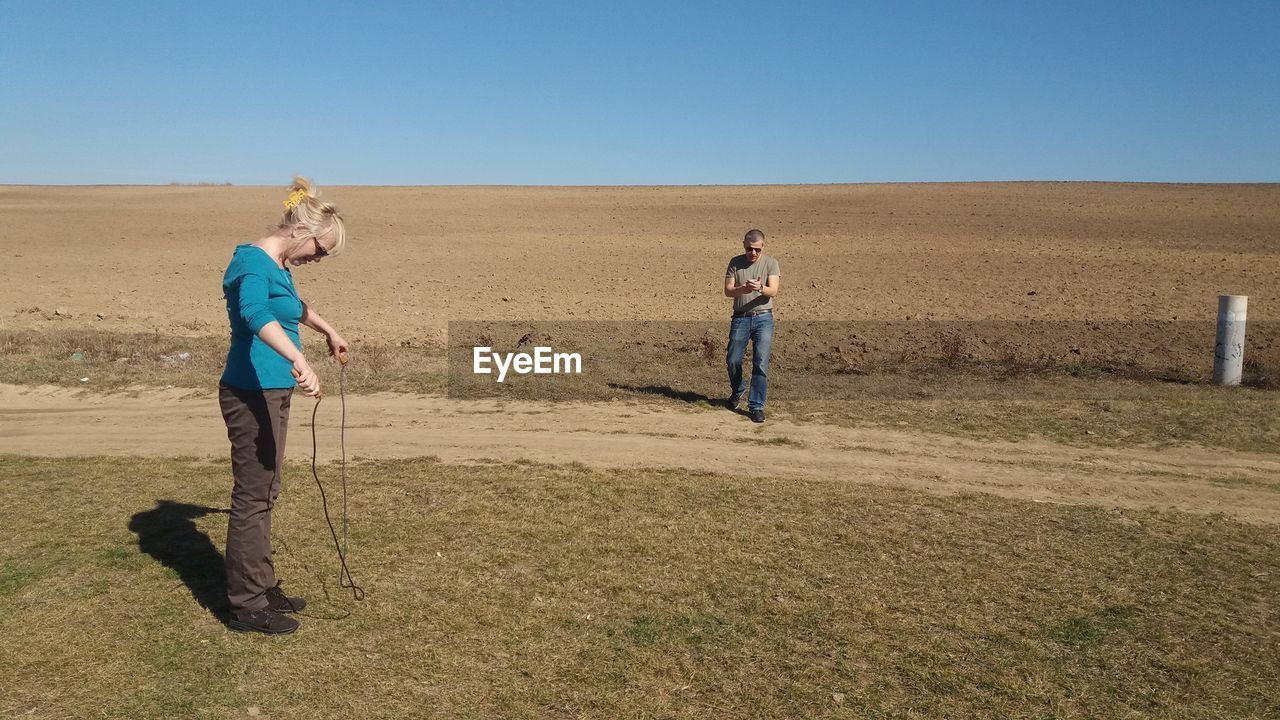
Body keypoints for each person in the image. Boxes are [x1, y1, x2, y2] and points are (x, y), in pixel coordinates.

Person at [218, 176, 349, 635]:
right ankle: (246, 605)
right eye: (320, 249)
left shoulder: (275, 263)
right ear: (301, 231)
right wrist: (298, 359)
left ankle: (262, 583)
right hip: (250, 392)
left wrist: (328, 331)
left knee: (266, 491)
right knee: (253, 497)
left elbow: (292, 306)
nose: (319, 258)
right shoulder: (252, 263)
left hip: (273, 391)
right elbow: (257, 315)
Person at [723, 228, 780, 423]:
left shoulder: (771, 263)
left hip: (764, 319)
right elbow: (728, 291)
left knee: (760, 362)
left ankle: (756, 406)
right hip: (740, 318)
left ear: (763, 246)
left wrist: (760, 288)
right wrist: (743, 288)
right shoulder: (735, 263)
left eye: (756, 249)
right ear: (744, 246)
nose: (753, 253)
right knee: (732, 359)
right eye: (749, 249)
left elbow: (773, 291)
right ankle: (738, 389)